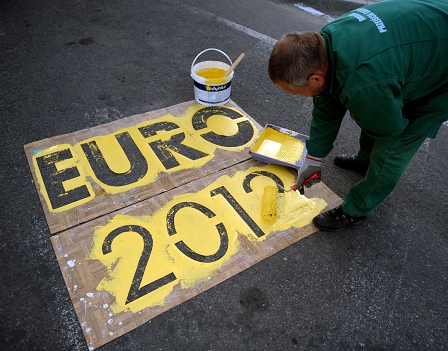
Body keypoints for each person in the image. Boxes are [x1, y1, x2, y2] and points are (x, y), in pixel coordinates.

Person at [268, 0, 448, 232]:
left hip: (440, 72)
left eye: (296, 91)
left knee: (392, 148)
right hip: (421, 38)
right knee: (370, 108)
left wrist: (364, 112)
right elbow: (326, 104)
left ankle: (356, 210)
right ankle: (364, 162)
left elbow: (389, 128)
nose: (296, 95)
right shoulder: (323, 46)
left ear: (315, 78)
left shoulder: (363, 83)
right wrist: (314, 158)